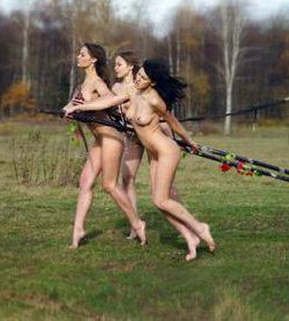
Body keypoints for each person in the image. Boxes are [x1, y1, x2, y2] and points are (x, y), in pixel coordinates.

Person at [66, 59, 215, 261]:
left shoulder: (154, 100)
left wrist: (190, 141)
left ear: (152, 82)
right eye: (138, 75)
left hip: (167, 151)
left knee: (161, 199)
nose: (138, 79)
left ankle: (200, 227)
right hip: (154, 153)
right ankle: (191, 238)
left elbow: (173, 123)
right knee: (160, 202)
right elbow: (106, 102)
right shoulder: (132, 91)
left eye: (143, 78)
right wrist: (79, 108)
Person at [62, 43, 146, 248]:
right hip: (99, 140)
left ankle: (137, 223)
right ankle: (78, 229)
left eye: (82, 54)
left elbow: (109, 100)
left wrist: (81, 107)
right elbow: (73, 106)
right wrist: (68, 110)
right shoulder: (82, 84)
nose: (78, 56)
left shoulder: (98, 83)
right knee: (85, 182)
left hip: (111, 138)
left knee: (109, 185)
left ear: (93, 59)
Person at [111, 51, 196, 250]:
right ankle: (135, 225)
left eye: (119, 64)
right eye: (115, 64)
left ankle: (191, 227)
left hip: (155, 141)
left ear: (130, 67)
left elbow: (167, 120)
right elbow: (110, 104)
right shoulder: (118, 88)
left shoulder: (146, 90)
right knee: (128, 178)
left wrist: (187, 141)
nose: (115, 68)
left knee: (163, 192)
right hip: (134, 137)